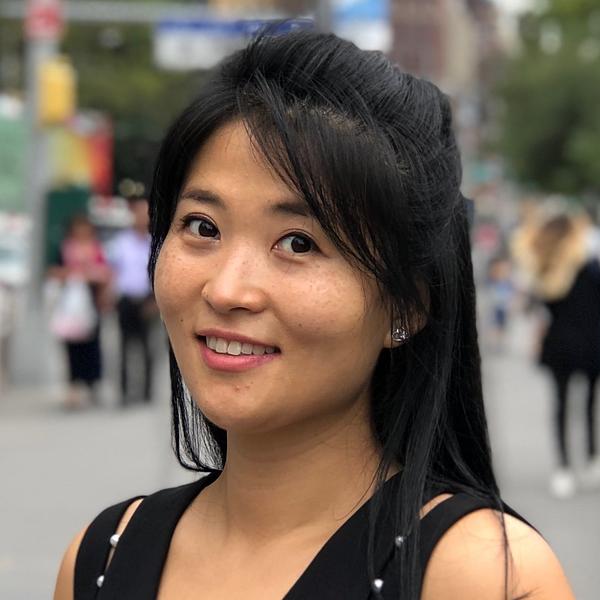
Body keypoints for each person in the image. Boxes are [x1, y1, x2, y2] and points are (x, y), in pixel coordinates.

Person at [54, 30, 574, 599]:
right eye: (202, 227)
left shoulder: (479, 575)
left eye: (298, 243)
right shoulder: (101, 558)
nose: (226, 290)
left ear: (407, 303)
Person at [513, 213, 600, 498]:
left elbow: (534, 307)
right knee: (588, 401)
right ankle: (591, 455)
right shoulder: (588, 265)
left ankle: (564, 466)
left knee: (561, 404)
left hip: (559, 344)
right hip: (591, 342)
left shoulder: (544, 267)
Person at [48, 215, 112, 409]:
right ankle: (73, 385)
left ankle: (93, 384)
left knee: (92, 346)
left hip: (92, 305)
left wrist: (94, 278)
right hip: (71, 306)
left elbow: (106, 273)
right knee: (72, 347)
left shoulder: (97, 249)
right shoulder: (65, 249)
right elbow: (54, 272)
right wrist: (72, 274)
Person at [107, 194, 157, 405]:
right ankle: (124, 391)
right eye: (138, 212)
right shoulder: (121, 243)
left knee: (147, 348)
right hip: (126, 300)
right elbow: (111, 272)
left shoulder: (154, 243)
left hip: (147, 300)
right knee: (124, 347)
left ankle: (146, 392)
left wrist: (155, 301)